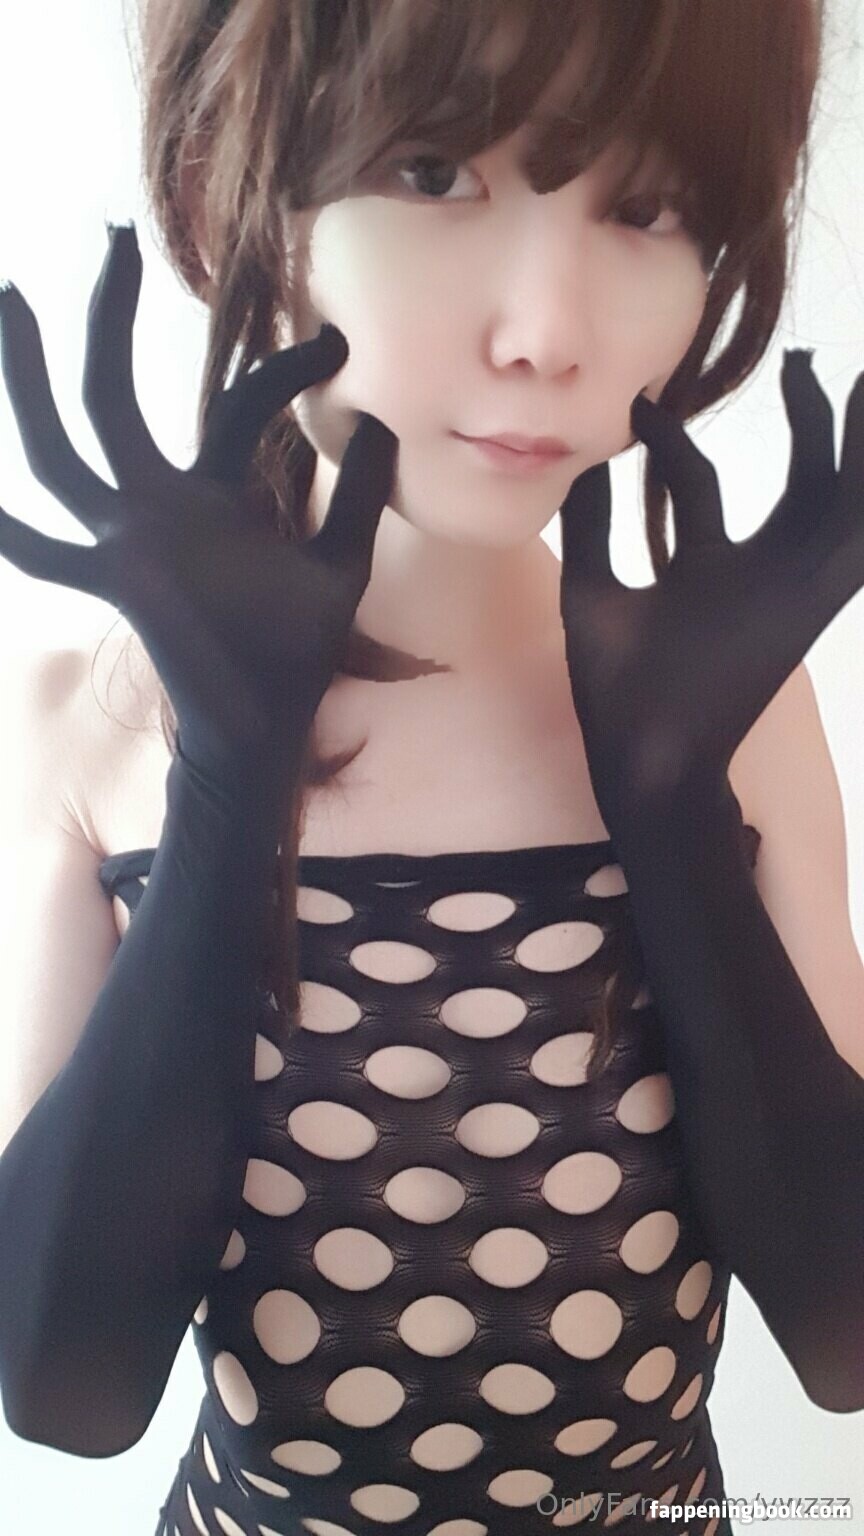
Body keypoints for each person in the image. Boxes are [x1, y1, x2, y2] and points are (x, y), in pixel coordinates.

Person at [0, 2, 862, 1534]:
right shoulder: (90, 720)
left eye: (651, 206)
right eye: (430, 170)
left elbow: (845, 1337)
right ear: (224, 190)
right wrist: (227, 787)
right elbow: (65, 1385)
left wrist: (669, 813)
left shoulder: (749, 719)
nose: (545, 334)